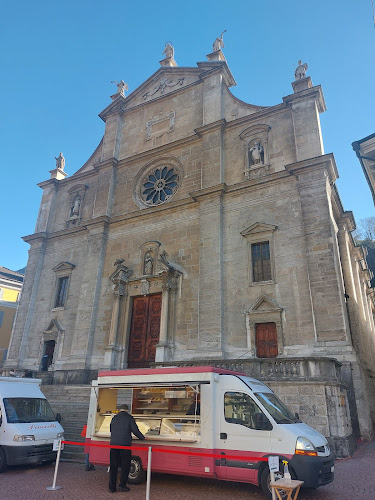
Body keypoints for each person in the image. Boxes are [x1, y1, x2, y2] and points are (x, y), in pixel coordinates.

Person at [109, 404, 145, 493]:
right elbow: (135, 430)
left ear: (120, 410)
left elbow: (111, 429)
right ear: (127, 410)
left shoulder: (114, 418)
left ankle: (111, 487)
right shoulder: (129, 418)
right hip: (125, 444)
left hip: (113, 445)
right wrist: (142, 438)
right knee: (125, 466)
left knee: (113, 467)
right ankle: (122, 485)